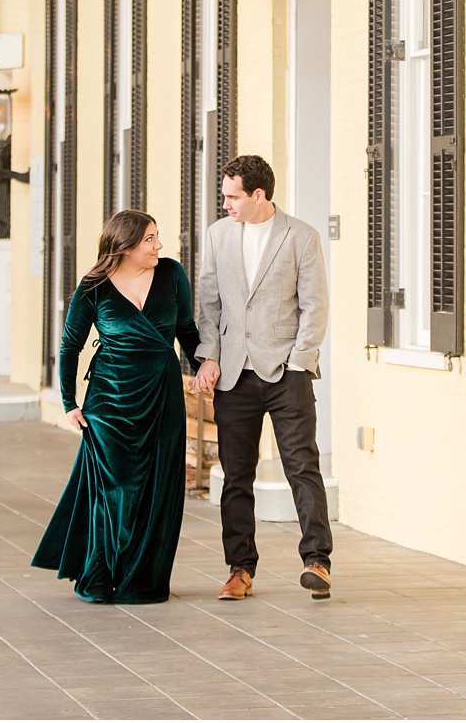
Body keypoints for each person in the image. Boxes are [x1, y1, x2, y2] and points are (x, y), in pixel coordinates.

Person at [31, 210, 201, 603]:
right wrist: (69, 402)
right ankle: (100, 573)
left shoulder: (172, 275)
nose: (159, 245)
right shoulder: (94, 287)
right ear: (124, 246)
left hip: (162, 396)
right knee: (114, 489)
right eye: (150, 239)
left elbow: (187, 331)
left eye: (158, 237)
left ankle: (141, 580)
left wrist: (203, 367)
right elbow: (69, 345)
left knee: (158, 488)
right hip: (109, 401)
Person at [192, 155, 333, 601]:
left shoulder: (301, 237)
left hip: (287, 373)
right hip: (234, 372)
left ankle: (317, 561)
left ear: (258, 195)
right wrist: (208, 356)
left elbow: (315, 305)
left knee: (302, 467)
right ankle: (240, 569)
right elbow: (208, 303)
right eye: (225, 196)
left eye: (233, 196)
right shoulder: (217, 235)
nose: (226, 204)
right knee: (236, 475)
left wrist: (299, 359)